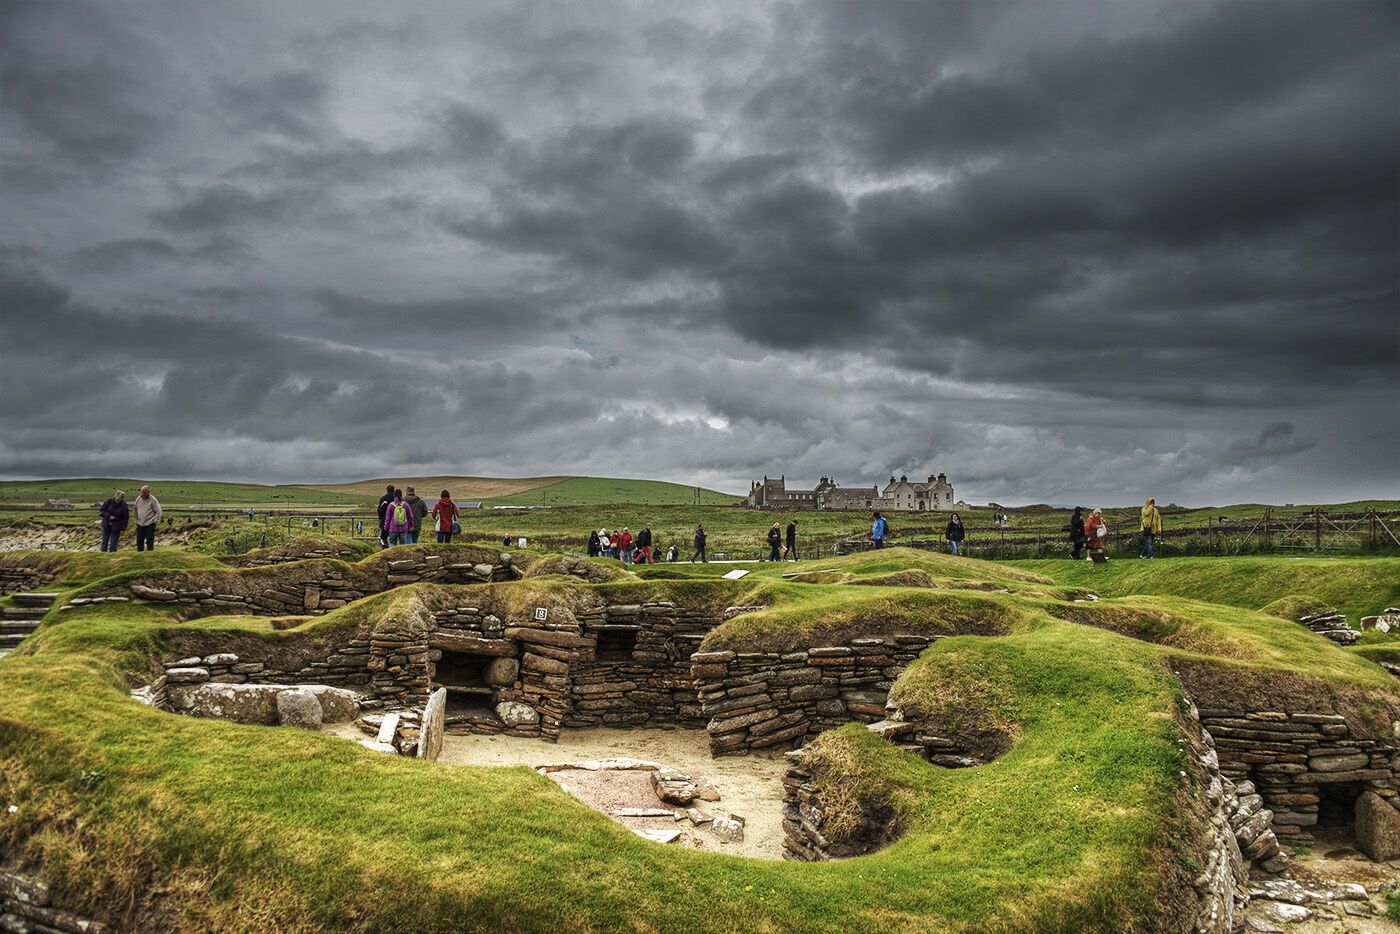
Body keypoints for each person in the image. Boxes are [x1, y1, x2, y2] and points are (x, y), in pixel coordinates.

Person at [133, 485, 162, 551]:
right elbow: (135, 509)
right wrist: (136, 520)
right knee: (139, 540)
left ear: (148, 492)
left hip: (150, 523)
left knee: (150, 540)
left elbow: (159, 511)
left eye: (144, 492)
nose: (142, 494)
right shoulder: (138, 499)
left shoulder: (153, 499)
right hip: (140, 523)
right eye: (141, 492)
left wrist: (156, 520)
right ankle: (140, 555)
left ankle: (150, 555)